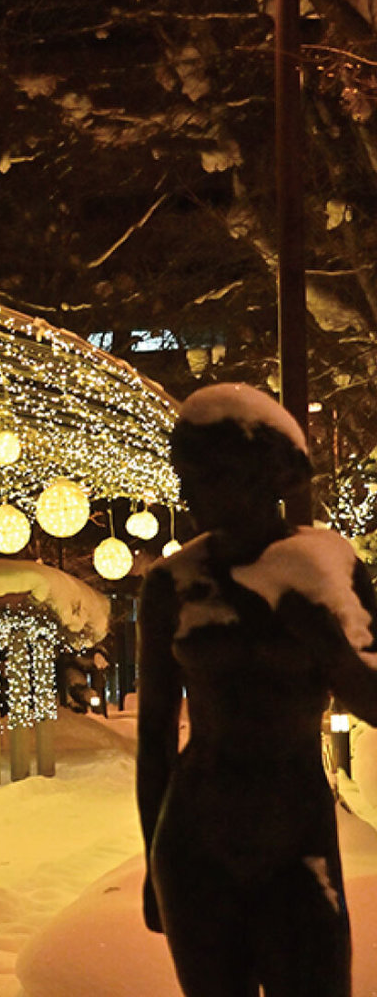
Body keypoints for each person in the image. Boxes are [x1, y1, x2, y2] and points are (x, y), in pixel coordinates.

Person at [137, 382, 377, 997]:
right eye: (182, 475)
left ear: (255, 476)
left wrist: (324, 637)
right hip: (193, 840)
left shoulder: (327, 567)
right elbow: (155, 737)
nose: (186, 493)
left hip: (295, 835)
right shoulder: (173, 582)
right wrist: (150, 863)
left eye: (202, 474)